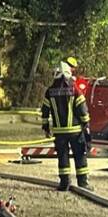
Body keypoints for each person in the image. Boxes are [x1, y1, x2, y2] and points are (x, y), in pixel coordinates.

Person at [41, 61, 92, 192]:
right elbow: (82, 110)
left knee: (62, 156)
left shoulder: (50, 91)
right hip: (75, 131)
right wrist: (86, 124)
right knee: (80, 154)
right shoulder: (74, 89)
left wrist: (46, 127)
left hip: (59, 132)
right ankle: (83, 183)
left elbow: (45, 111)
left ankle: (64, 183)